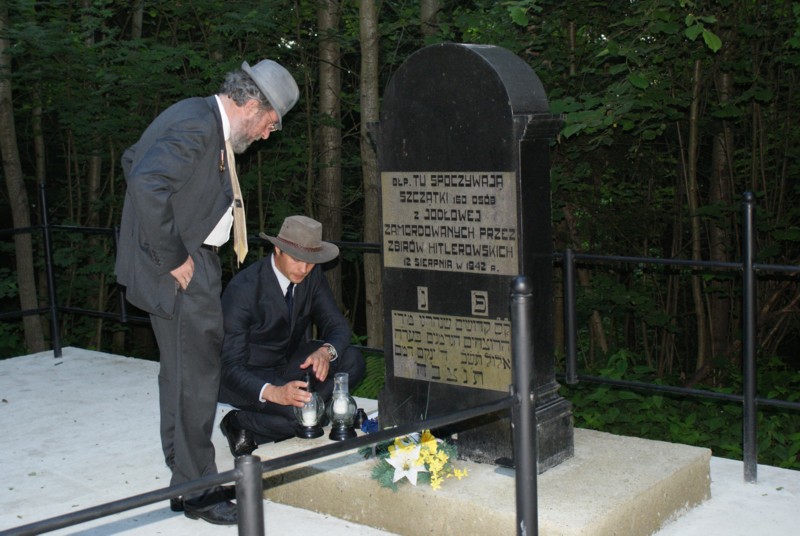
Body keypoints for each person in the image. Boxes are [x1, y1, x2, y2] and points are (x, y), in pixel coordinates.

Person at [115, 60, 299, 525]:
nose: (268, 134)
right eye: (270, 123)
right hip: (183, 267)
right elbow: (146, 179)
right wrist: (173, 253)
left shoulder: (197, 117)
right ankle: (200, 492)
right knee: (197, 380)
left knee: (181, 376)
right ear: (252, 105)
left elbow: (133, 159)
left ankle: (184, 477)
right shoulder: (199, 125)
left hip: (189, 260)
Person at [218, 215, 365, 454]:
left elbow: (337, 325)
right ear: (277, 250)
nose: (303, 269)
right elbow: (230, 368)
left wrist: (325, 352)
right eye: (296, 259)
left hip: (288, 366)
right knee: (300, 418)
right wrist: (274, 393)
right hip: (248, 377)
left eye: (310, 262)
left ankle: (314, 410)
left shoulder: (312, 276)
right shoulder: (243, 290)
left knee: (353, 360)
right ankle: (239, 422)